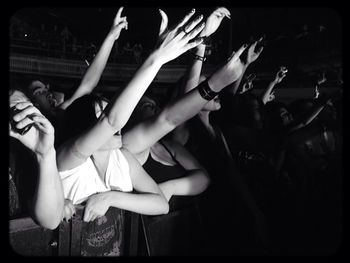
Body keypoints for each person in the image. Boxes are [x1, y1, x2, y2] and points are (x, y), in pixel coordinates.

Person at [9, 87, 64, 230]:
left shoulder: (21, 159)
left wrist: (45, 154)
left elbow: (51, 220)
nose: (14, 116)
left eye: (18, 109)